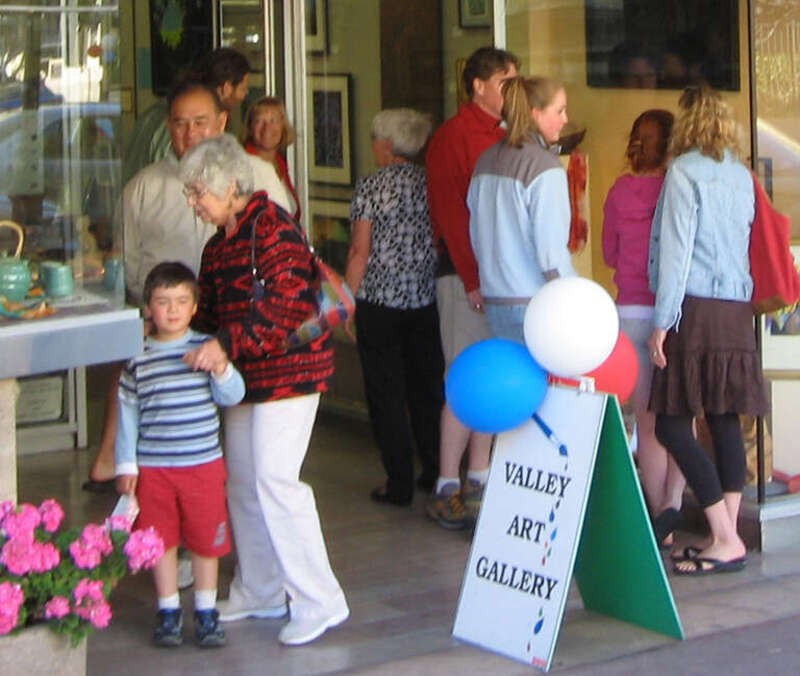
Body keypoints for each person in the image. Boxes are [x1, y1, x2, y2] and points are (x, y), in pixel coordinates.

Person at [179, 135, 348, 645]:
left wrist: (225, 344)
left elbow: (289, 305)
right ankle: (261, 587)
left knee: (276, 481)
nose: (192, 202)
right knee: (244, 484)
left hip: (291, 374)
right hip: (246, 377)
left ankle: (319, 600)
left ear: (230, 186)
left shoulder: (273, 226)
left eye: (197, 192)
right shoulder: (218, 244)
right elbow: (209, 314)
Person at [83, 81, 292, 492]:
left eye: (200, 122)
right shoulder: (143, 186)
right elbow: (126, 263)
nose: (190, 133)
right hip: (175, 331)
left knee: (261, 472)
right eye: (180, 124)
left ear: (222, 122)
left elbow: (284, 272)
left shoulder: (259, 176)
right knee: (181, 441)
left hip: (248, 339)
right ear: (167, 127)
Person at [647, 85, 769, 574]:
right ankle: (729, 534)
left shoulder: (683, 172)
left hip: (694, 308)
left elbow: (676, 254)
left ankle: (723, 536)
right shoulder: (741, 175)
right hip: (736, 308)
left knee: (673, 423)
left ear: (688, 124)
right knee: (724, 420)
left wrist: (661, 323)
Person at [114, 261, 246, 647]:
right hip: (155, 469)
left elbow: (233, 395)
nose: (172, 310)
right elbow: (127, 414)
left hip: (203, 465)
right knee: (160, 541)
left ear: (193, 307)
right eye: (162, 301)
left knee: (206, 541)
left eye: (181, 301)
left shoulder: (204, 348)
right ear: (148, 309)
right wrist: (126, 464)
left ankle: (206, 610)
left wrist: (221, 366)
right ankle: (168, 609)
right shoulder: (136, 356)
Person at [425, 46, 519, 530]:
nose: (511, 92)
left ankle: (479, 474)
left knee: (489, 376)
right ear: (478, 85)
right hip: (465, 273)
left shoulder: (505, 135)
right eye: (505, 82)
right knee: (462, 377)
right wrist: (472, 276)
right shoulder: (453, 137)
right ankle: (447, 480)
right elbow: (453, 215)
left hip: (497, 275)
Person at [344, 108, 444, 506]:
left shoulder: (371, 186)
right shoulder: (428, 183)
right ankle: (435, 469)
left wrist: (347, 303)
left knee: (385, 393)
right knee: (425, 387)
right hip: (423, 298)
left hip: (379, 302)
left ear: (386, 145)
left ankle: (398, 481)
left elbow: (358, 250)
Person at [602, 109, 686, 547]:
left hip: (630, 312)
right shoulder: (679, 188)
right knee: (682, 420)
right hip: (675, 315)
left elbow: (610, 254)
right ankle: (673, 504)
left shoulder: (619, 191)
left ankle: (659, 523)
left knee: (649, 425)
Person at [468, 76, 575, 345]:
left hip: (496, 298)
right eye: (559, 110)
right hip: (537, 301)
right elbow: (551, 254)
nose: (565, 119)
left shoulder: (486, 160)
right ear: (535, 114)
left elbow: (477, 236)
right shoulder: (545, 166)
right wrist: (574, 295)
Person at [122, 47, 253, 184]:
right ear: (226, 88)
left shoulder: (159, 111)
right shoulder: (174, 121)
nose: (244, 96)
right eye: (243, 89)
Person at [242, 96, 301, 220]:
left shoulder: (279, 163)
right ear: (250, 128)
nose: (267, 128)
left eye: (273, 120)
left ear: (283, 127)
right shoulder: (243, 165)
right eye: (259, 121)